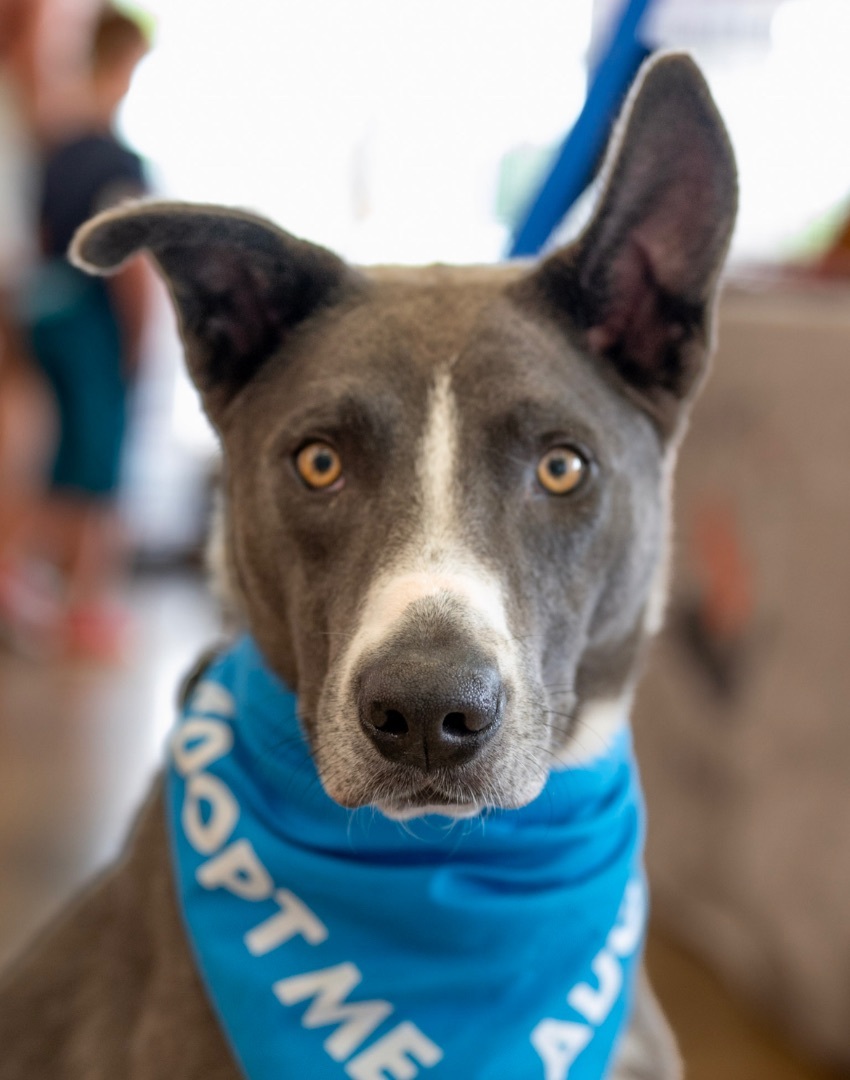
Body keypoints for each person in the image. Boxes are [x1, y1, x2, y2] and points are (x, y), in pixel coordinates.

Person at [20, 5, 154, 659]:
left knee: (63, 463)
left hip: (45, 313)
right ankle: (89, 608)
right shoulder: (112, 158)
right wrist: (141, 339)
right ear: (123, 65)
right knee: (101, 468)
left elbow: (43, 242)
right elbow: (127, 261)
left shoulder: (57, 148)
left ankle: (33, 587)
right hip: (92, 324)